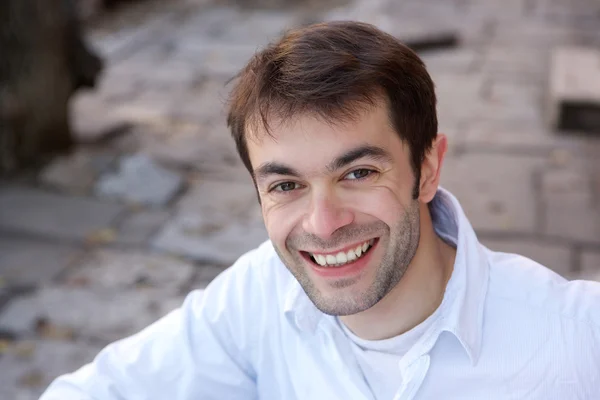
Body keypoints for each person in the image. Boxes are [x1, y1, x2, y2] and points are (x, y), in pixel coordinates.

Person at [40, 21, 600, 400]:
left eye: (357, 173)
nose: (323, 223)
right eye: (286, 185)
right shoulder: (259, 294)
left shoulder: (575, 341)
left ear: (427, 168)